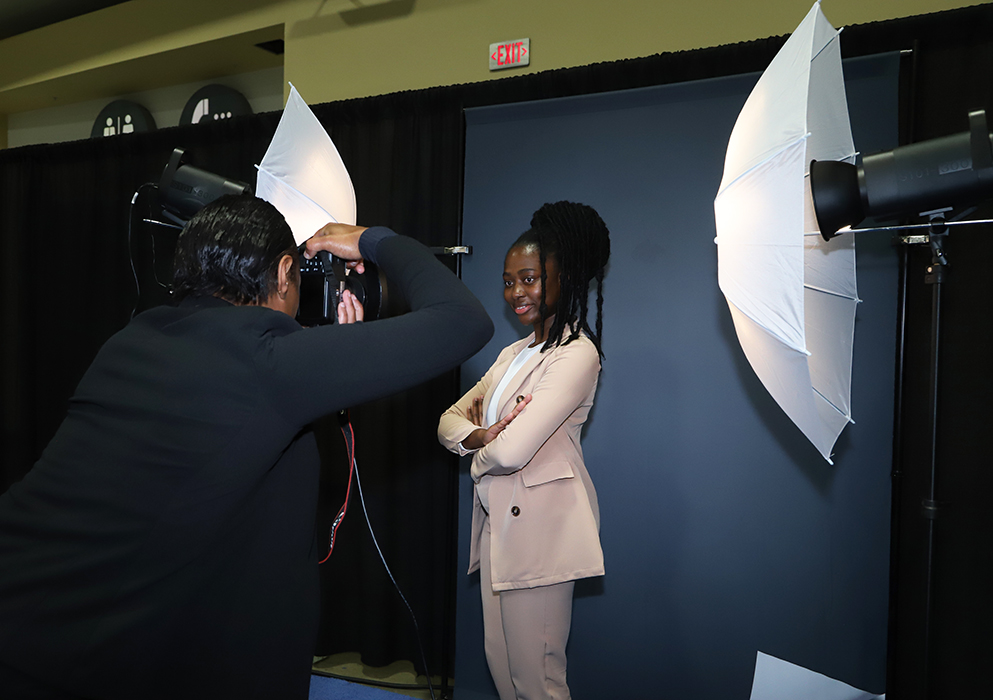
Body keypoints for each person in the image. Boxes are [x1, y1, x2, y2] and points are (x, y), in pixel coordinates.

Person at [0, 194, 493, 700]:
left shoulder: (131, 340)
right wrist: (373, 238)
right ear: (284, 273)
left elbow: (227, 445)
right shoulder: (272, 365)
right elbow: (464, 320)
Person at [437, 200, 610, 700]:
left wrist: (480, 455)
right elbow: (447, 421)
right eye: (510, 280)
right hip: (498, 529)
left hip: (542, 533)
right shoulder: (513, 354)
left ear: (566, 275)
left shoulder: (578, 355)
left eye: (530, 278)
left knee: (537, 679)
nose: (516, 292)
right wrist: (477, 437)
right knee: (502, 668)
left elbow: (513, 453)